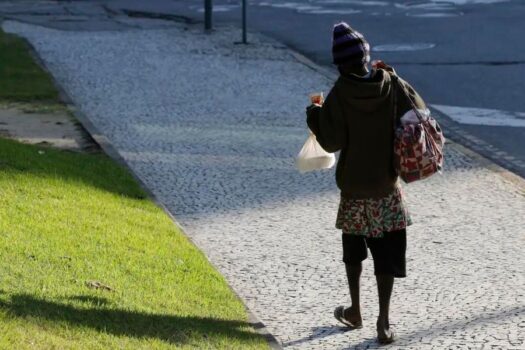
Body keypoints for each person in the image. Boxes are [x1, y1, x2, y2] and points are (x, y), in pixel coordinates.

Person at [306, 22, 427, 345]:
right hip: (387, 186)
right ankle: (384, 322)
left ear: (341, 64)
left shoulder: (340, 93)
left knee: (354, 252)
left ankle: (355, 309)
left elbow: (331, 142)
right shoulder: (389, 83)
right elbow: (419, 110)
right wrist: (396, 75)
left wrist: (314, 114)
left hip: (355, 189)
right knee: (386, 254)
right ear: (365, 57)